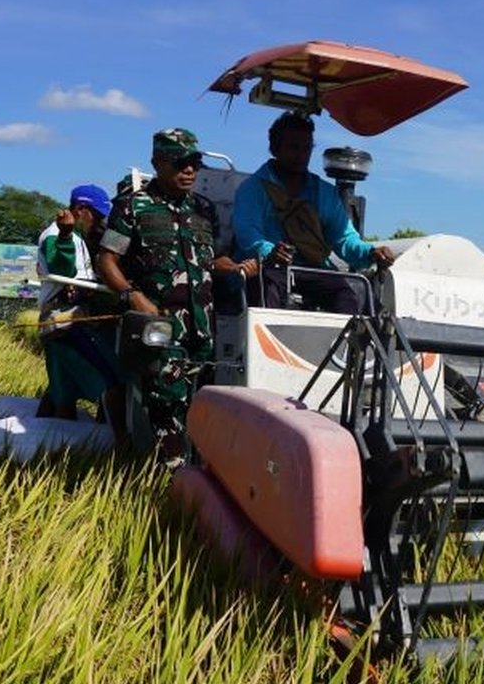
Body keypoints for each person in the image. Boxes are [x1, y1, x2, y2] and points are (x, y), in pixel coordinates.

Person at [97, 128, 241, 460]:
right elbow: (107, 260)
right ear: (157, 163)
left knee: (201, 406)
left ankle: (189, 479)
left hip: (202, 329)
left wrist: (233, 266)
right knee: (167, 407)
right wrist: (134, 297)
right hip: (160, 327)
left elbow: (209, 259)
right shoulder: (134, 206)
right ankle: (170, 486)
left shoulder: (204, 209)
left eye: (194, 163)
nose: (189, 170)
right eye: (179, 163)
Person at [232, 111, 395, 314]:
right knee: (267, 288)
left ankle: (344, 345)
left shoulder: (324, 193)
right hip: (270, 270)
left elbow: (345, 239)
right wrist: (270, 253)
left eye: (306, 148)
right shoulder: (253, 189)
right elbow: (248, 235)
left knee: (347, 295)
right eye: (293, 147)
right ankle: (268, 344)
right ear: (274, 148)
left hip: (313, 270)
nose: (300, 155)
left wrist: (371, 252)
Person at [35, 184, 127, 446]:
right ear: (80, 209)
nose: (98, 223)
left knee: (62, 390)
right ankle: (120, 444)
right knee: (113, 381)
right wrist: (64, 235)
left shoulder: (78, 239)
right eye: (96, 216)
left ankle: (57, 447)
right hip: (65, 323)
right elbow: (60, 267)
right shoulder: (58, 235)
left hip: (60, 324)